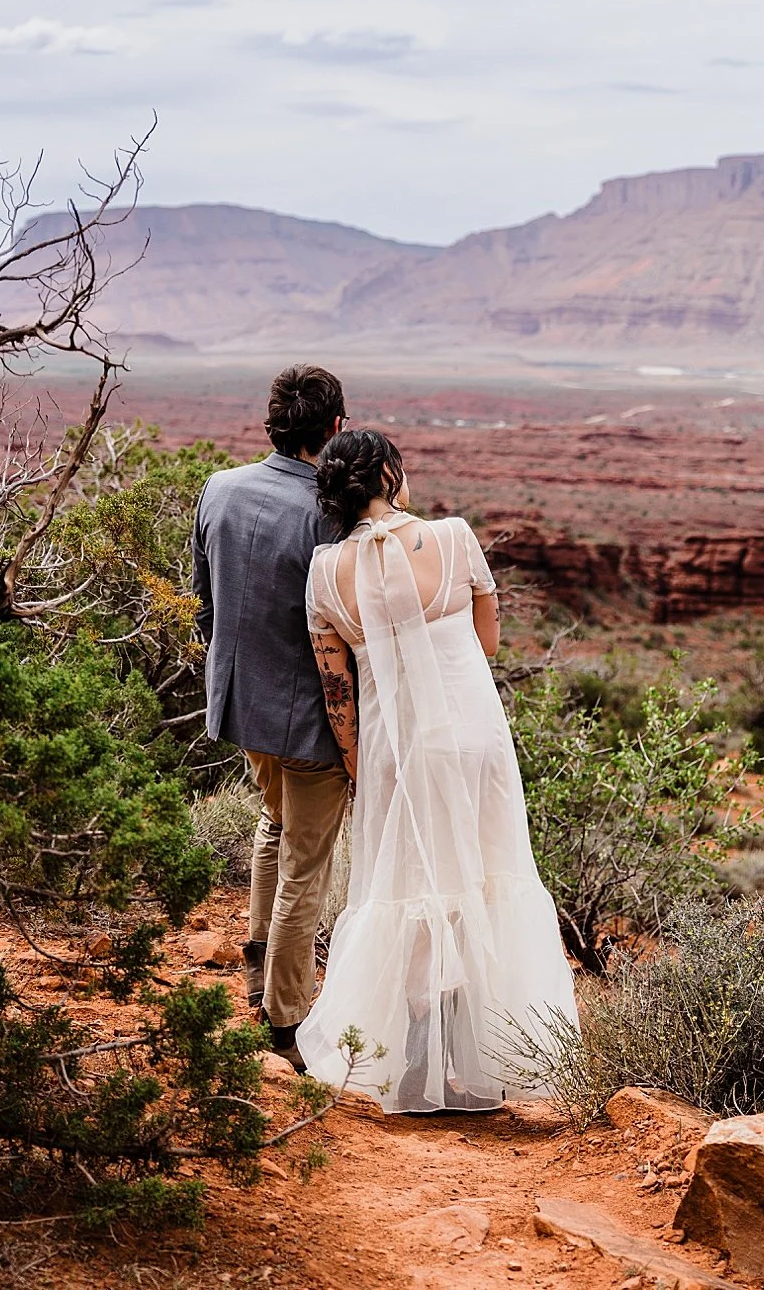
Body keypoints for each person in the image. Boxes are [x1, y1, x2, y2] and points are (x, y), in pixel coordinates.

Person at [296, 428, 577, 1112]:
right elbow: (485, 643)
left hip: (397, 750)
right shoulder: (454, 538)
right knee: (486, 877)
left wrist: (367, 771)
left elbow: (338, 694)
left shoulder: (324, 572)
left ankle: (405, 1061)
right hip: (473, 739)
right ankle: (498, 1059)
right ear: (392, 474)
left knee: (405, 887)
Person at [191, 364, 350, 1069]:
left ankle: (259, 972)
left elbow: (204, 603)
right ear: (335, 428)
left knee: (273, 824)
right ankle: (284, 1025)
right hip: (313, 720)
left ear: (272, 423)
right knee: (306, 870)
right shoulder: (332, 512)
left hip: (241, 704)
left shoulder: (218, 489)